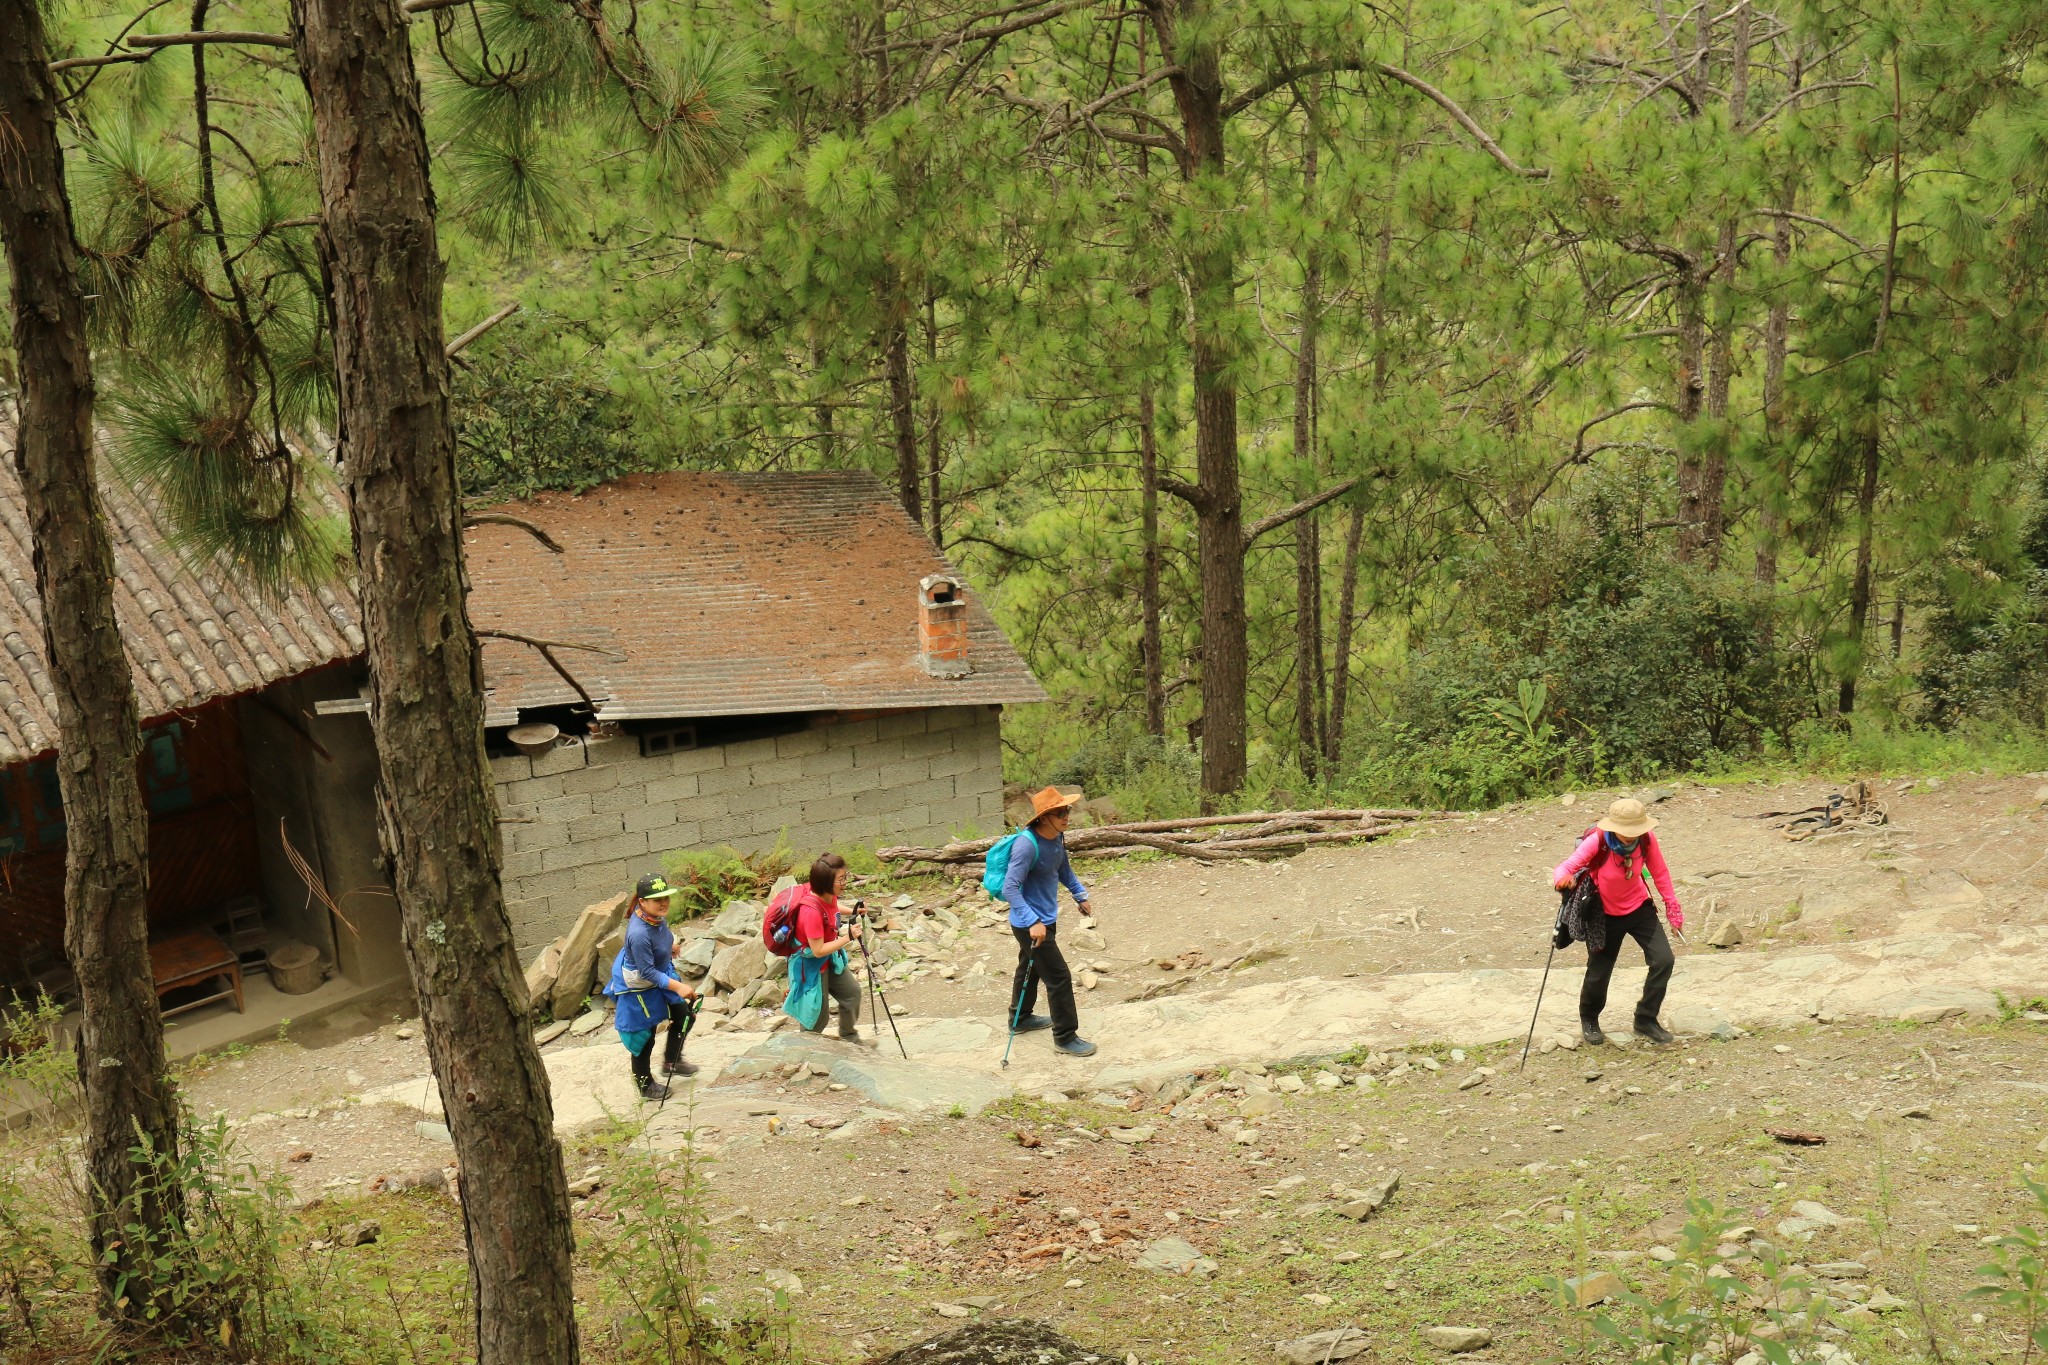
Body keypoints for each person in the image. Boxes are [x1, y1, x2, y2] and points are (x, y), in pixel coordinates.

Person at [1551, 797, 1685, 1046]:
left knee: (1664, 960)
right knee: (1599, 973)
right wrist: (1562, 880)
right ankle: (1589, 1018)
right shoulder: (1599, 841)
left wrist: (1673, 909)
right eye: (1625, 831)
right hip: (1604, 914)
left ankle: (1646, 1019)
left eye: (1634, 831)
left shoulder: (1646, 840)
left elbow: (1660, 873)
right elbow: (1566, 867)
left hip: (1639, 908)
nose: (1629, 836)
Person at [1002, 785, 1097, 1057]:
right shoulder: (1026, 846)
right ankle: (1065, 1037)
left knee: (1030, 969)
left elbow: (1063, 870)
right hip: (1029, 924)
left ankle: (1019, 1019)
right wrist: (1033, 921)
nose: (1066, 816)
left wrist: (1080, 895)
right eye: (1058, 812)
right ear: (1044, 817)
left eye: (1066, 810)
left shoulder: (1056, 837)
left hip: (1045, 919)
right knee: (1059, 977)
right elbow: (1011, 888)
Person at [605, 872, 700, 1099]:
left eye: (665, 897)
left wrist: (671, 946)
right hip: (639, 983)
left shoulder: (655, 916)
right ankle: (645, 1085)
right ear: (642, 902)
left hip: (658, 972)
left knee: (685, 1015)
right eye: (658, 900)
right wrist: (677, 987)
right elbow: (646, 971)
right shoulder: (638, 933)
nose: (664, 903)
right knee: (643, 1037)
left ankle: (671, 1061)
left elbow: (662, 933)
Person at [783, 853, 867, 1043]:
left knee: (851, 993)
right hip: (810, 965)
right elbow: (818, 950)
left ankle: (850, 1039)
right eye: (841, 879)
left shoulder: (829, 896)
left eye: (846, 876)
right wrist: (848, 936)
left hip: (829, 958)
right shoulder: (810, 912)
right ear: (826, 882)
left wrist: (853, 910)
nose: (845, 882)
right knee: (816, 1015)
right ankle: (809, 1053)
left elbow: (834, 908)